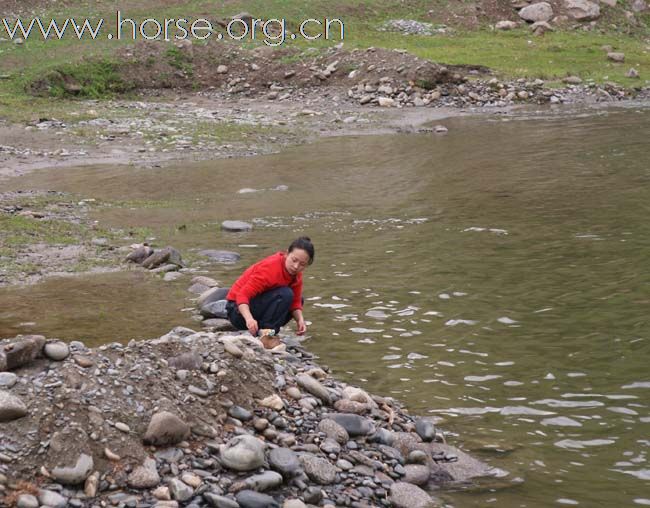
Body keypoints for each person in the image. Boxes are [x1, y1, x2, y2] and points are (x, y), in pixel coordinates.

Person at [226, 236, 314, 337]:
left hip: (256, 309)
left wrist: (300, 320)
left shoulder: (296, 274)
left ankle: (266, 333)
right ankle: (267, 336)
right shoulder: (270, 268)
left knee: (297, 299)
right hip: (237, 311)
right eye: (294, 260)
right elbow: (242, 295)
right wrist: (249, 319)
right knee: (286, 294)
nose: (296, 266)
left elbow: (296, 302)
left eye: (302, 264)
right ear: (287, 253)